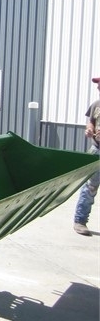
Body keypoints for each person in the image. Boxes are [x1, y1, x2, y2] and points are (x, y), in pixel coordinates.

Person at [73, 76, 100, 236]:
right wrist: (89, 129)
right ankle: (80, 221)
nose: (98, 89)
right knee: (90, 187)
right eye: (98, 86)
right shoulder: (96, 105)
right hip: (96, 150)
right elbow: (90, 121)